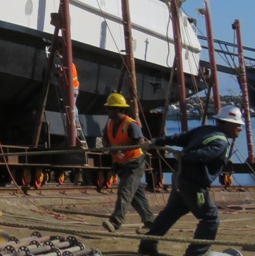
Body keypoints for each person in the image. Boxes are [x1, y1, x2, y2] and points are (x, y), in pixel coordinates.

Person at [137, 104, 244, 256]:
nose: (240, 128)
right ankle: (195, 253)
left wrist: (156, 141)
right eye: (237, 125)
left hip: (180, 179)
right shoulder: (221, 141)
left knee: (170, 213)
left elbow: (179, 138)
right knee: (210, 218)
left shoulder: (204, 130)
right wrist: (185, 156)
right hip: (194, 186)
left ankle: (147, 247)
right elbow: (204, 154)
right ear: (226, 123)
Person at [101, 92, 154, 233]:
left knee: (125, 191)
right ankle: (150, 223)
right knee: (136, 195)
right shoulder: (110, 123)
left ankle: (115, 221)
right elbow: (105, 139)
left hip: (134, 164)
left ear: (119, 109)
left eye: (110, 108)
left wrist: (123, 149)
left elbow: (140, 142)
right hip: (121, 163)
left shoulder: (131, 124)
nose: (108, 111)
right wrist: (111, 148)